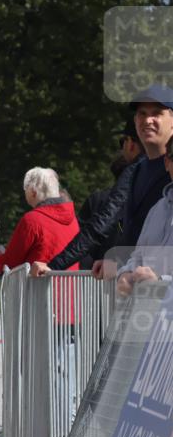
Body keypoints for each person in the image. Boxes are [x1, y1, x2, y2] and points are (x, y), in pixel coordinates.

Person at [31, 85, 173, 279]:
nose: (148, 120)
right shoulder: (134, 171)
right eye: (142, 113)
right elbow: (103, 223)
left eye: (156, 113)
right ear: (135, 120)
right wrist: (54, 265)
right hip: (136, 285)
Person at [0, 167, 80, 274]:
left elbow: (10, 262)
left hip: (40, 283)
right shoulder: (73, 220)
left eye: (25, 189)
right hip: (71, 283)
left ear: (33, 192)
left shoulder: (32, 220)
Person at [117, 135, 173, 295]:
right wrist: (125, 274)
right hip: (150, 308)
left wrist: (160, 282)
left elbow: (156, 281)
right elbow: (138, 257)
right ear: (167, 163)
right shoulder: (157, 209)